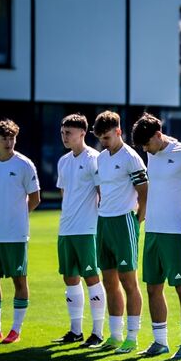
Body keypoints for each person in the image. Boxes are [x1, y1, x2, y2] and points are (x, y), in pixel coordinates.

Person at [132, 113, 181, 359]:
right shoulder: (151, 152)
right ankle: (160, 342)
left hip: (176, 234)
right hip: (153, 232)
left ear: (158, 135)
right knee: (153, 288)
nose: (145, 149)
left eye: (147, 143)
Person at [0, 119, 41, 344]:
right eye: (4, 138)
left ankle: (16, 330)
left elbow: (35, 198)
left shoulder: (25, 165)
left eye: (12, 138)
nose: (9, 142)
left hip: (15, 235)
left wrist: (18, 217)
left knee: (19, 281)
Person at [91, 111, 148, 353]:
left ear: (118, 132)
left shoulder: (131, 158)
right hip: (103, 222)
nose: (103, 142)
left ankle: (132, 337)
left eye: (106, 137)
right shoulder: (101, 158)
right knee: (109, 281)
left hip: (124, 223)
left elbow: (145, 193)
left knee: (128, 281)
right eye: (100, 139)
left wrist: (136, 222)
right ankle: (115, 335)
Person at [52, 114, 107, 347]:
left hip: (88, 229)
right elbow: (65, 194)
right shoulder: (63, 161)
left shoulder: (94, 158)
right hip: (66, 229)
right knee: (70, 277)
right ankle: (75, 331)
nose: (64, 137)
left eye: (69, 133)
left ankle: (98, 332)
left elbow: (102, 193)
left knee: (91, 277)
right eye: (62, 132)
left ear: (82, 133)